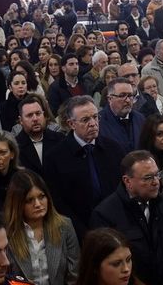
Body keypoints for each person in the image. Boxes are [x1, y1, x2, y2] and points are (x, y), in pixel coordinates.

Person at [89, 151, 163, 285]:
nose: (156, 181)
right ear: (127, 181)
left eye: (157, 175)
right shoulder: (104, 214)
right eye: (148, 178)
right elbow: (105, 267)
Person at [43, 96, 124, 236]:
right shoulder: (55, 158)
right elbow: (57, 202)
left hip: (116, 227)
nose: (93, 123)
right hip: (77, 232)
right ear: (71, 124)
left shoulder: (114, 149)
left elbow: (122, 189)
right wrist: (81, 232)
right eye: (85, 120)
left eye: (95, 117)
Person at [3, 169, 79, 285]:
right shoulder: (7, 233)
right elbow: (4, 278)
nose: (38, 204)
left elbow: (75, 274)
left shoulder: (65, 226)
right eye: (29, 200)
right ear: (17, 204)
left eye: (41, 197)